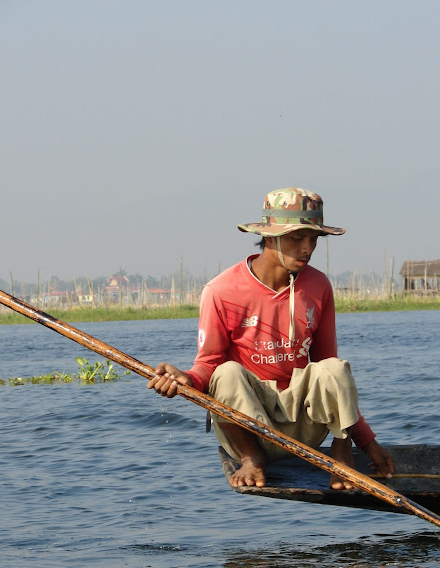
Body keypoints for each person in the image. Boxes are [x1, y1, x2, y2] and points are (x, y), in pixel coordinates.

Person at [148, 187, 394, 490]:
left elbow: (331, 375)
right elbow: (208, 365)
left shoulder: (318, 286)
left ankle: (341, 453)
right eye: (296, 238)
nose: (307, 249)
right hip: (249, 427)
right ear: (269, 237)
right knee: (226, 373)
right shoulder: (221, 290)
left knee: (334, 367)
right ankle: (252, 458)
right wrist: (185, 379)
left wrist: (368, 444)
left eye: (313, 239)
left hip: (304, 426)